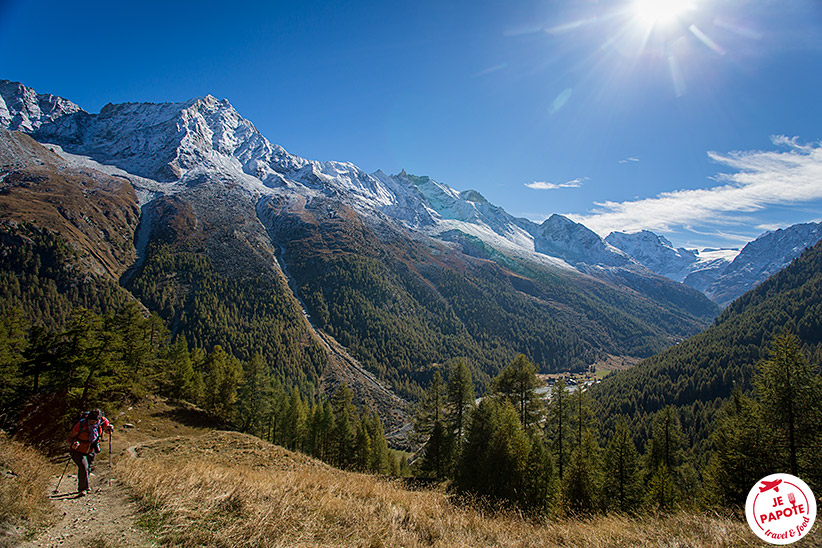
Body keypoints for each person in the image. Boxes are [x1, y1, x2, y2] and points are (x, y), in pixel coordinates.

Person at [67, 408, 114, 496]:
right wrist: (73, 443)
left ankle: (86, 486)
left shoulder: (103, 421)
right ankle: (83, 489)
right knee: (83, 467)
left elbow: (106, 430)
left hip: (91, 449)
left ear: (98, 420)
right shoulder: (80, 424)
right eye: (90, 421)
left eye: (94, 421)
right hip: (78, 450)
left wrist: (109, 429)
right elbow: (70, 436)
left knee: (88, 468)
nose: (92, 423)